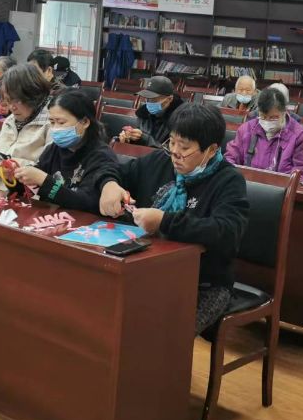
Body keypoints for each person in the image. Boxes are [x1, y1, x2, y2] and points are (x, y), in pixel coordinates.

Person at [99, 104, 249, 334]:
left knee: (160, 332)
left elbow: (226, 232)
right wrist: (109, 183)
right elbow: (115, 171)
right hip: (146, 271)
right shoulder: (161, 160)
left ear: (211, 150)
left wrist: (164, 221)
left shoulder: (228, 181)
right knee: (106, 312)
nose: (174, 154)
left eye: (184, 147)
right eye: (172, 142)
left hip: (203, 283)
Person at [15, 90, 117, 209]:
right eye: (52, 122)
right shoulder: (53, 149)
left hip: (80, 218)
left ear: (84, 122)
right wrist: (16, 179)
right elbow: (29, 190)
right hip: (49, 214)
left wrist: (43, 180)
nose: (55, 129)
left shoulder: (101, 156)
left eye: (61, 122)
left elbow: (88, 203)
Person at [0, 64, 51, 189]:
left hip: (28, 194)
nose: (12, 107)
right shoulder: (10, 120)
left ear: (33, 95)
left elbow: (47, 171)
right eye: (8, 101)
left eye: (18, 100)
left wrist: (9, 163)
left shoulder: (51, 122)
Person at [225, 87, 303, 182]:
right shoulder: (246, 129)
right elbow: (230, 158)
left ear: (284, 112)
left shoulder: (300, 136)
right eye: (263, 117)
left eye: (273, 118)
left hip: (281, 188)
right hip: (246, 184)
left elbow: (302, 174)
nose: (267, 121)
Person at [118, 75, 184, 147]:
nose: (149, 103)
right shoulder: (143, 114)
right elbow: (138, 142)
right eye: (147, 99)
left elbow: (173, 150)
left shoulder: (181, 120)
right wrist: (129, 140)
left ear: (169, 99)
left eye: (154, 99)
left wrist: (145, 139)